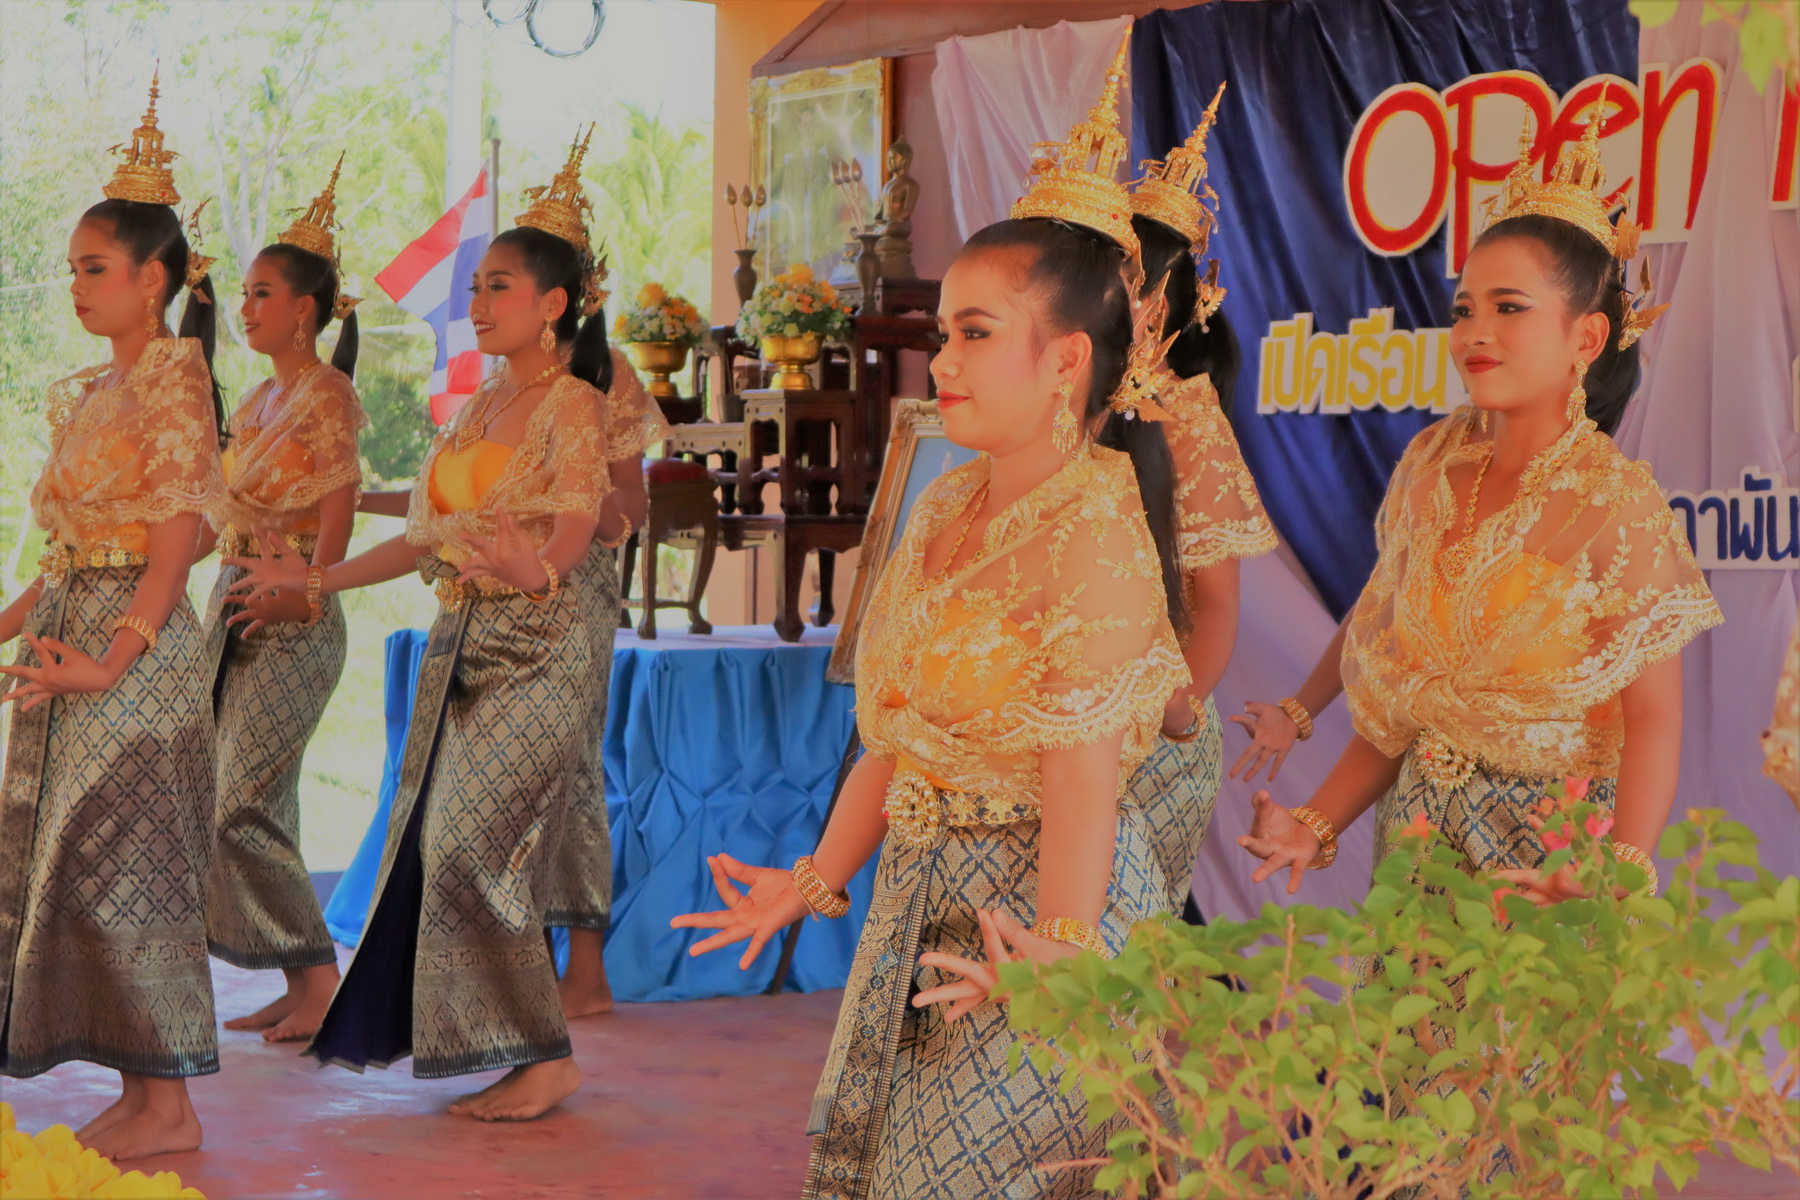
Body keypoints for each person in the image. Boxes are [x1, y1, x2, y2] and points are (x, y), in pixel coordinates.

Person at [673, 37, 1189, 1198]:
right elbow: (897, 732)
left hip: (1039, 925)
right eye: (944, 331)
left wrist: (1058, 958)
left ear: (1064, 362)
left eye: (974, 334)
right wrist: (812, 879)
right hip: (922, 902)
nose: (941, 358)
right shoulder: (949, 500)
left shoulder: (1095, 528)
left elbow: (1082, 778)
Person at [228, 131, 612, 1122]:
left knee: (478, 846)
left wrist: (535, 568)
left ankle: (544, 1057)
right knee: (444, 845)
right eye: (476, 287)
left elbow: (575, 527)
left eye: (498, 288)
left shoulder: (572, 406)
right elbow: (425, 537)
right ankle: (513, 1046)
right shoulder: (477, 408)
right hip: (461, 647)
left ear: (554, 305)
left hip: (543, 650)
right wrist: (316, 579)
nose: (478, 303)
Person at [0, 78, 226, 1160]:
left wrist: (112, 660)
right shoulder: (93, 391)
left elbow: (176, 536)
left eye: (96, 268)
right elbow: (65, 549)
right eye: (75, 268)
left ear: (154, 279)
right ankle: (145, 1094)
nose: (78, 285)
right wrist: (9, 624)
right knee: (91, 873)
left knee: (132, 868)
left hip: (132, 655)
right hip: (73, 635)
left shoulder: (176, 377)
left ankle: (170, 1105)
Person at [202, 157, 366, 1043]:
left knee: (244, 803)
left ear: (305, 309)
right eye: (244, 293)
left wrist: (301, 593)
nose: (247, 307)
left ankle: (320, 976)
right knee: (245, 801)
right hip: (231, 605)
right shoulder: (259, 398)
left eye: (262, 293)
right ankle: (298, 980)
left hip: (295, 614)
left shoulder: (327, 395)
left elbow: (337, 514)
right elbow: (215, 516)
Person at [1117, 82, 1276, 913]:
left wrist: (1173, 716)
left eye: (1137, 284)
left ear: (1172, 303)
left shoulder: (1187, 416)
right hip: (1059, 718)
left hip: (1156, 734)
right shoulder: (1057, 408)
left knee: (1119, 947)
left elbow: (1214, 602)